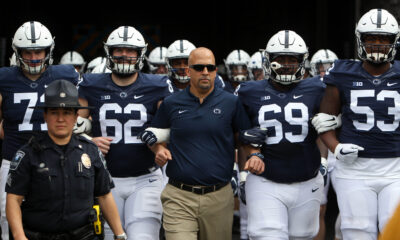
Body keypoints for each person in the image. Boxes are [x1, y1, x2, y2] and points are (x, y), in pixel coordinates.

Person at [147, 47, 264, 240]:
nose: (205, 72)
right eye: (199, 67)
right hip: (179, 196)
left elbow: (243, 138)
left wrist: (254, 155)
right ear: (188, 71)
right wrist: (158, 149)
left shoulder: (231, 103)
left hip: (219, 196)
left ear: (216, 71)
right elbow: (155, 135)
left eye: (210, 67)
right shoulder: (170, 103)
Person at [78, 25, 173, 240]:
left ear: (140, 54)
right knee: (112, 235)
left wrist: (159, 143)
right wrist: (90, 140)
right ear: (109, 52)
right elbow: (74, 128)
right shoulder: (91, 84)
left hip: (146, 178)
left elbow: (173, 126)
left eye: (131, 50)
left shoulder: (157, 85)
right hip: (105, 178)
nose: (124, 55)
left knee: (143, 235)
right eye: (119, 49)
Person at [315, 8, 400, 240]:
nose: (378, 44)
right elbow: (325, 120)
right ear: (360, 40)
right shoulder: (342, 72)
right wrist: (336, 148)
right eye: (371, 38)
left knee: (393, 230)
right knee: (358, 231)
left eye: (384, 39)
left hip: (396, 168)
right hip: (355, 169)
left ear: (394, 41)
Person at [5, 79, 126, 240]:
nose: (60, 119)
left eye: (67, 113)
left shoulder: (91, 151)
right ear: (45, 115)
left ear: (76, 117)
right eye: (54, 112)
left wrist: (120, 235)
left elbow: (104, 195)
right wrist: (19, 236)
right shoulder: (28, 154)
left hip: (83, 235)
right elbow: (14, 199)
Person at [235, 30, 325, 239]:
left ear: (302, 61)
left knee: (303, 236)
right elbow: (231, 133)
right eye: (280, 59)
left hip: (307, 180)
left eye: (291, 59)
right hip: (266, 180)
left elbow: (332, 126)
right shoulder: (248, 91)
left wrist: (325, 158)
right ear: (268, 60)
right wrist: (246, 150)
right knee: (268, 235)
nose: (285, 64)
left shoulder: (318, 88)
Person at [0, 21, 80, 240]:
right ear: (18, 52)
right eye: (28, 52)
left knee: (56, 217)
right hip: (14, 159)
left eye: (39, 51)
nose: (34, 58)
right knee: (9, 222)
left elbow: (83, 113)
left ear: (49, 51)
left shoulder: (65, 74)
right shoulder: (5, 78)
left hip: (56, 158)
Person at [310, 48, 339, 240]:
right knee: (318, 209)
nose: (324, 70)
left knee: (350, 207)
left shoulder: (342, 86)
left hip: (340, 151)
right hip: (317, 152)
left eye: (328, 66)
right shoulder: (309, 88)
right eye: (321, 67)